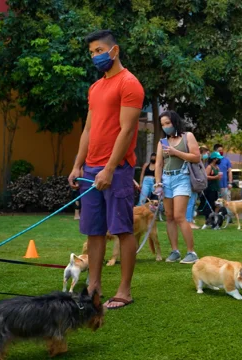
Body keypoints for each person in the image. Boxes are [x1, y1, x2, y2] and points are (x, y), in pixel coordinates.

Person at [68, 30, 144, 310]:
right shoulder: (95, 88)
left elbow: (126, 130)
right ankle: (93, 286)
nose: (95, 56)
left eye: (99, 50)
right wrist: (78, 164)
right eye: (91, 52)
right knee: (94, 231)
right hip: (90, 169)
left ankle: (124, 290)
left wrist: (110, 169)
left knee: (122, 229)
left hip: (117, 169)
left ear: (114, 50)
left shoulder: (130, 84)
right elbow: (88, 129)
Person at [154, 110, 201, 265]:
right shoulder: (162, 142)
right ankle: (175, 251)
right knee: (169, 216)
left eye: (168, 123)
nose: (165, 127)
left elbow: (196, 157)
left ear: (175, 122)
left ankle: (191, 252)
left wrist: (176, 152)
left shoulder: (187, 136)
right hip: (166, 179)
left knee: (179, 216)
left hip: (182, 177)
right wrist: (158, 181)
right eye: (163, 125)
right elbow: (159, 164)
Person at [202, 151, 223, 218]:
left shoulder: (217, 167)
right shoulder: (209, 167)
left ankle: (214, 218)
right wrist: (215, 177)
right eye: (218, 158)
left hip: (216, 188)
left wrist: (218, 177)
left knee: (216, 204)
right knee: (210, 204)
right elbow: (205, 176)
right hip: (210, 188)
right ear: (214, 159)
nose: (219, 160)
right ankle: (208, 219)